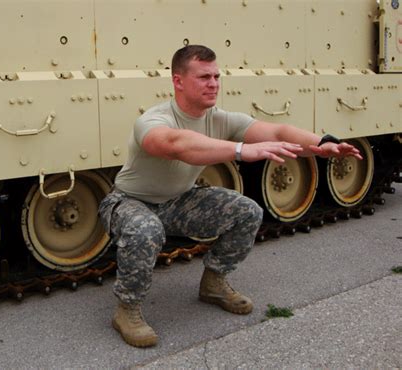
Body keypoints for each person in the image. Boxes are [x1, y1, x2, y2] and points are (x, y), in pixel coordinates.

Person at [98, 45, 361, 348]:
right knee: (145, 229)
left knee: (247, 212)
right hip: (129, 201)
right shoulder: (154, 119)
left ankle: (214, 284)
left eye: (216, 76)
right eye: (204, 77)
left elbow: (276, 132)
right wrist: (240, 150)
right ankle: (127, 310)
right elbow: (174, 144)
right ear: (178, 81)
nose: (213, 84)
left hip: (179, 200)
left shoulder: (219, 118)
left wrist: (322, 143)